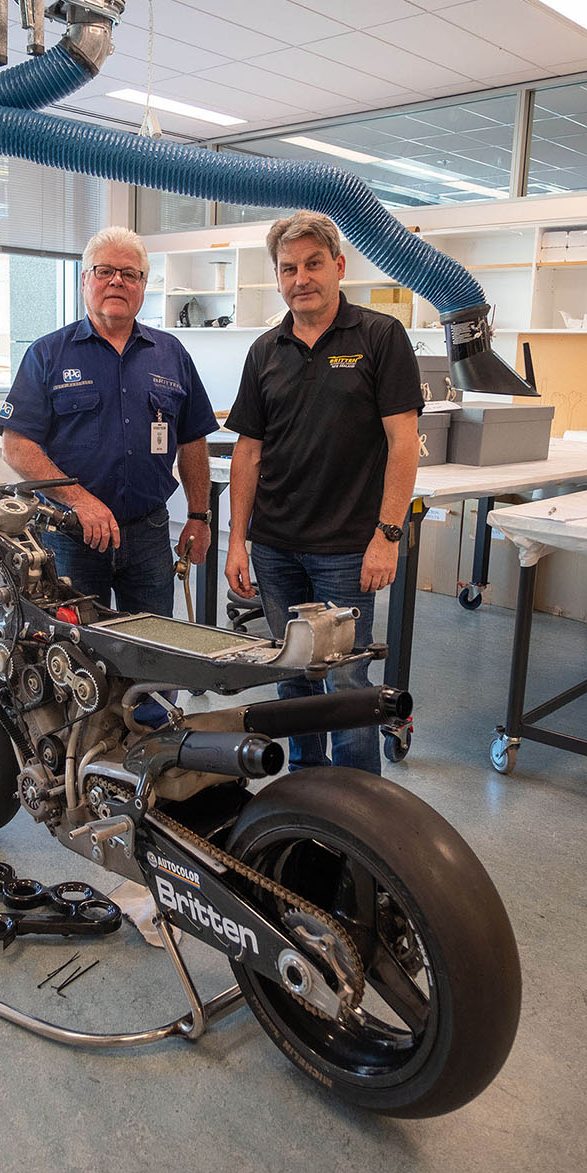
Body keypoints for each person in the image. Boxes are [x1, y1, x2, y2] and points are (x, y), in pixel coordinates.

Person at [223, 211, 421, 774]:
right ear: (277, 277)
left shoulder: (380, 337)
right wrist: (237, 541)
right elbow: (249, 452)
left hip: (345, 550)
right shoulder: (266, 349)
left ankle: (358, 812)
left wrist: (386, 536)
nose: (300, 278)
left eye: (313, 264)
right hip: (276, 547)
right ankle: (306, 795)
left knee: (346, 682)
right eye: (288, 269)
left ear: (338, 266)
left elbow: (402, 445)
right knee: (292, 677)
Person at [0, 226, 217, 623]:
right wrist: (80, 501)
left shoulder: (171, 354)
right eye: (104, 271)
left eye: (130, 274)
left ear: (143, 285)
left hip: (149, 533)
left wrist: (198, 516)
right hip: (71, 536)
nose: (117, 280)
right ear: (85, 281)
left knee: (153, 652)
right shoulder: (47, 354)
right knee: (77, 659)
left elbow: (193, 439)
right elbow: (17, 446)